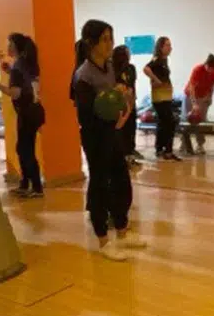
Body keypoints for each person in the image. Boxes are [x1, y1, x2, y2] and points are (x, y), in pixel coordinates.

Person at [73, 19, 146, 260]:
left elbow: (116, 99)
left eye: (110, 39)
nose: (109, 44)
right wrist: (113, 98)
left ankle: (123, 231)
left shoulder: (111, 67)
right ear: (91, 43)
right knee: (100, 185)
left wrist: (123, 102)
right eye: (104, 39)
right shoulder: (83, 75)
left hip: (112, 132)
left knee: (122, 180)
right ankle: (103, 240)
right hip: (95, 136)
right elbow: (86, 115)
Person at [0, 33, 45, 197]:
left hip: (26, 112)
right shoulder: (28, 64)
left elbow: (15, 93)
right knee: (24, 148)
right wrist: (10, 71)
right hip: (35, 110)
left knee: (25, 150)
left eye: (10, 44)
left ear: (17, 47)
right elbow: (27, 83)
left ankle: (36, 187)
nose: (8, 47)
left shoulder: (18, 66)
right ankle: (26, 184)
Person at [144, 36, 179, 161]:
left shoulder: (164, 60)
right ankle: (167, 150)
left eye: (170, 45)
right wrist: (155, 80)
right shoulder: (157, 59)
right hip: (160, 97)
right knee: (170, 122)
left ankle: (160, 149)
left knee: (163, 122)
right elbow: (146, 69)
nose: (170, 48)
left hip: (166, 96)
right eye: (167, 45)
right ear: (161, 47)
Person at [182, 54, 214, 155]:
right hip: (190, 96)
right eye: (209, 68)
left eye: (213, 69)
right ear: (206, 64)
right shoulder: (198, 69)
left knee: (201, 121)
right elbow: (192, 87)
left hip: (203, 97)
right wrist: (194, 103)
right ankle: (184, 143)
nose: (211, 71)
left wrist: (210, 97)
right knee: (187, 119)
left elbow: (212, 85)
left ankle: (200, 145)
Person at [112, 45, 141, 163]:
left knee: (131, 128)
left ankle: (130, 154)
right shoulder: (112, 68)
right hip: (119, 103)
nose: (129, 55)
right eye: (127, 53)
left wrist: (133, 99)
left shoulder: (131, 68)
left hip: (130, 101)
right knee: (121, 129)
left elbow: (132, 84)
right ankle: (122, 155)